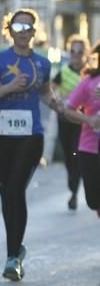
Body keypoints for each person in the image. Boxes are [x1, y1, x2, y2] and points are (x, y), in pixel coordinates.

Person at [0, 8, 60, 282]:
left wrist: (60, 106)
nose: (23, 33)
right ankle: (16, 249)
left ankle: (11, 258)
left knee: (16, 189)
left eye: (28, 28)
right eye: (18, 28)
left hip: (31, 136)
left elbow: (45, 93)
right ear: (9, 30)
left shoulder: (43, 63)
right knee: (8, 194)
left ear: (35, 31)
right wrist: (6, 89)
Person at [61, 41, 100, 216]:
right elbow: (68, 110)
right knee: (94, 201)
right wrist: (89, 120)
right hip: (90, 148)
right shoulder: (89, 82)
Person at [53, 34, 89, 210]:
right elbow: (52, 91)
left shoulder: (91, 74)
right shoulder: (63, 72)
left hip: (83, 122)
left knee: (77, 155)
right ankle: (72, 184)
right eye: (73, 50)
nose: (76, 54)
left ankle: (74, 192)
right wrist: (60, 99)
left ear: (86, 53)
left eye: (79, 51)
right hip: (65, 118)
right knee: (69, 156)